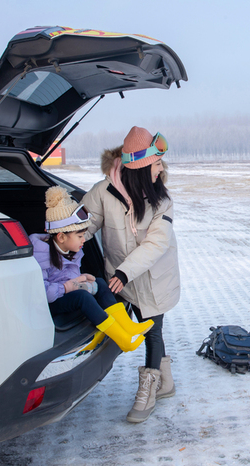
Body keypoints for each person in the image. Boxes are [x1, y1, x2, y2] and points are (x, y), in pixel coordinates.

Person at [83, 126, 180, 423]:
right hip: (122, 282)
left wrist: (124, 272)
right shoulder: (103, 192)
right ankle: (168, 383)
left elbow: (156, 243)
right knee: (145, 329)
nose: (161, 169)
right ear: (138, 168)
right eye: (156, 164)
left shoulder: (161, 199)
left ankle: (149, 390)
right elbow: (85, 223)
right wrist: (64, 242)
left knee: (152, 331)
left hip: (152, 281)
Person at [30, 186, 153, 352]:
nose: (83, 240)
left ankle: (127, 326)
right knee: (82, 297)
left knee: (101, 283)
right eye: (80, 236)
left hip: (66, 292)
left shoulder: (71, 249)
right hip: (51, 302)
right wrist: (69, 287)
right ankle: (122, 340)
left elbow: (70, 275)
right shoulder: (41, 255)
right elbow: (42, 293)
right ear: (61, 236)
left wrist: (82, 279)